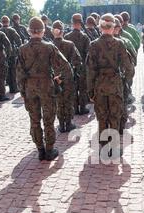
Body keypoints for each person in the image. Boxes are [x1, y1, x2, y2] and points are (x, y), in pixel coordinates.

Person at [16, 17, 70, 161]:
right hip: (47, 86)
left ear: (29, 31)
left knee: (34, 120)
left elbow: (19, 73)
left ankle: (40, 149)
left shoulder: (22, 49)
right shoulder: (49, 47)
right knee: (48, 120)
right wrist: (59, 78)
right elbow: (65, 66)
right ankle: (50, 149)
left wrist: (22, 91)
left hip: (30, 88)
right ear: (43, 31)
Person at [86, 13, 134, 156]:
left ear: (100, 27)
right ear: (113, 27)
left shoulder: (93, 45)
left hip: (99, 84)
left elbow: (90, 71)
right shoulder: (119, 44)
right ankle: (113, 147)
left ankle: (103, 146)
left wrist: (90, 91)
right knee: (115, 115)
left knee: (102, 116)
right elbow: (129, 67)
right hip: (115, 84)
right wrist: (125, 82)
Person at [51, 20, 81, 133]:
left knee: (59, 101)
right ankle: (68, 123)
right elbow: (77, 61)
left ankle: (61, 124)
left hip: (54, 78)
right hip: (68, 77)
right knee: (68, 101)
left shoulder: (49, 46)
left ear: (53, 32)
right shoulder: (70, 44)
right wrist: (74, 72)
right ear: (62, 31)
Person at [64, 13, 91, 115]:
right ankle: (82, 108)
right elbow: (88, 53)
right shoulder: (85, 37)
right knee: (83, 88)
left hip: (70, 67)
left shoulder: (66, 36)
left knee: (73, 88)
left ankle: (75, 108)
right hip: (82, 66)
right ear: (80, 23)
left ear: (72, 23)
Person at [113, 18, 136, 134]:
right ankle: (121, 126)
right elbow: (133, 58)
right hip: (121, 79)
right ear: (119, 28)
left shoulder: (99, 42)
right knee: (122, 103)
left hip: (104, 82)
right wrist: (128, 78)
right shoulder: (125, 42)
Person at [0, 16, 22, 94]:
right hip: (12, 53)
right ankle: (14, 88)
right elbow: (18, 40)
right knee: (13, 71)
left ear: (2, 22)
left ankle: (10, 87)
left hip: (3, 54)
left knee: (7, 71)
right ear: (8, 22)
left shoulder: (0, 31)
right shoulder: (12, 30)